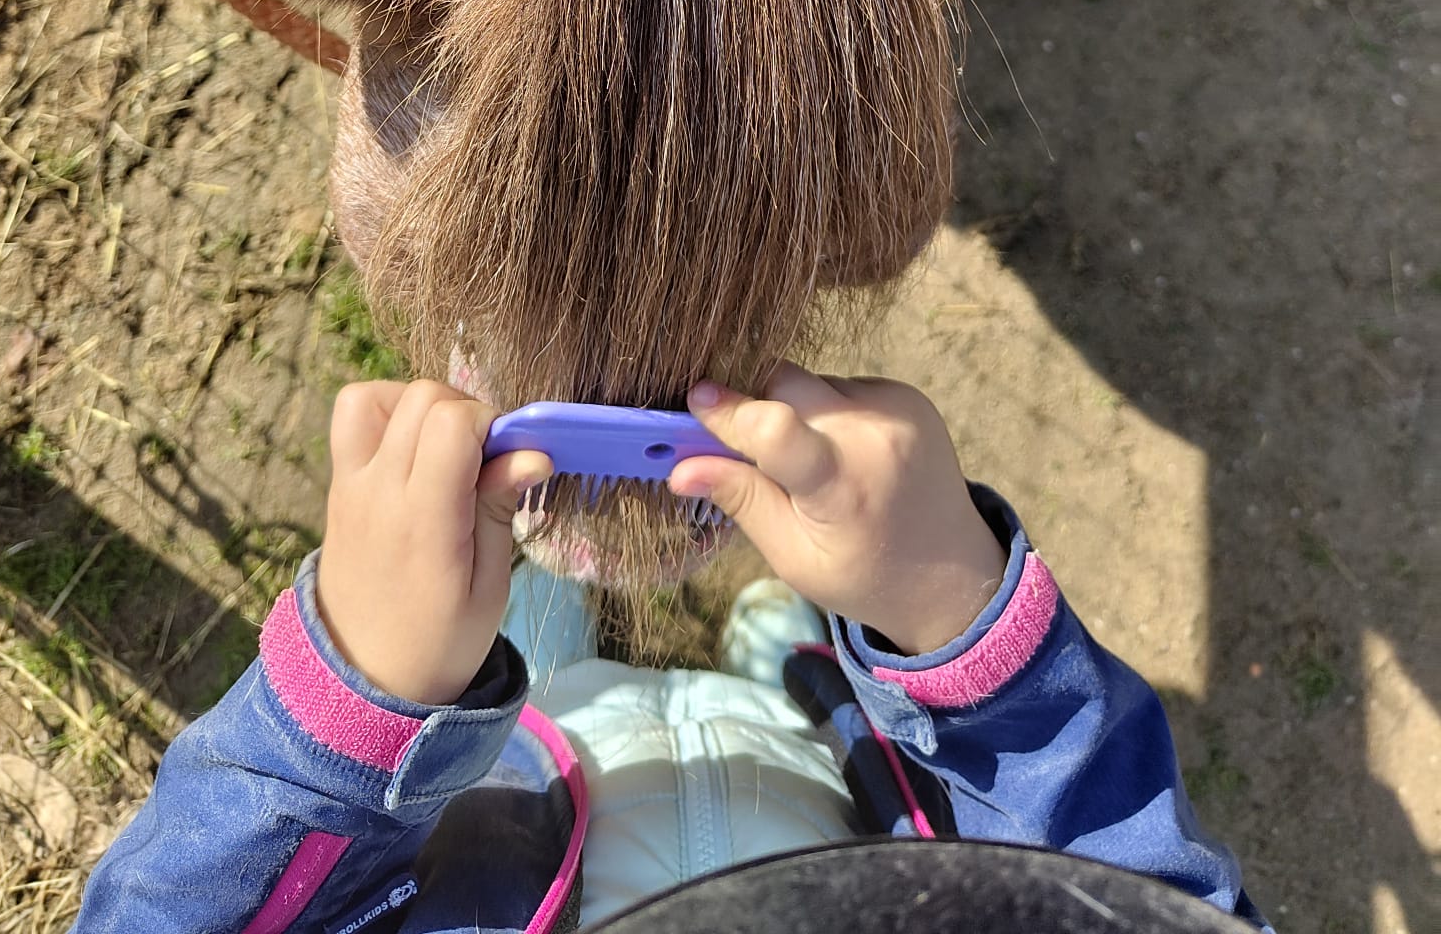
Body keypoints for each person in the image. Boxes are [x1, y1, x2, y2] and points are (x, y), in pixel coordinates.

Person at [70, 367, 1268, 932]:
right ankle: (789, 661)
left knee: (526, 624)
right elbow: (1141, 904)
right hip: (816, 774)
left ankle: (563, 634)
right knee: (788, 664)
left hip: (540, 764)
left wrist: (356, 700)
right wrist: (959, 619)